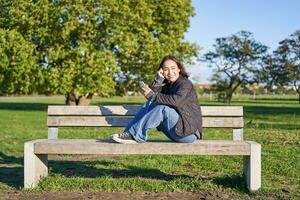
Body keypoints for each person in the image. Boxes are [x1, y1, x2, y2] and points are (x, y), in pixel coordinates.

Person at [112, 55, 202, 144]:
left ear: (179, 69)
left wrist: (152, 96)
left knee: (163, 109)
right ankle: (129, 133)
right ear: (162, 71)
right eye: (166, 69)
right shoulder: (169, 86)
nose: (170, 72)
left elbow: (176, 101)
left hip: (189, 133)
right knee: (149, 103)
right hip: (177, 129)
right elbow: (155, 97)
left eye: (173, 68)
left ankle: (134, 135)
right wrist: (159, 79)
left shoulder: (185, 84)